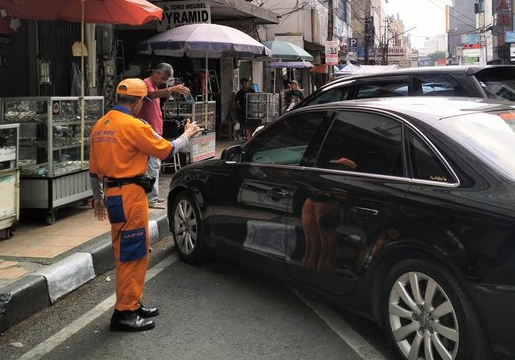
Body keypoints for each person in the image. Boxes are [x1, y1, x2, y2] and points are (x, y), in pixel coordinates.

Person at [89, 78, 201, 332]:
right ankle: (125, 312)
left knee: (131, 249)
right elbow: (166, 151)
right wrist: (187, 134)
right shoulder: (134, 126)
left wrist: (97, 198)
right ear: (139, 101)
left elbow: (93, 170)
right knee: (133, 253)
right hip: (130, 196)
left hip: (113, 195)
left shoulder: (101, 124)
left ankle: (133, 301)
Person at [138, 63, 190, 209]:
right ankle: (151, 199)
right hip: (148, 130)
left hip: (155, 129)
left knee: (155, 164)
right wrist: (171, 89)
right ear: (156, 72)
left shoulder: (155, 87)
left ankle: (153, 195)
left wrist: (170, 91)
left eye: (165, 80)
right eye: (162, 78)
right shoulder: (145, 84)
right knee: (153, 164)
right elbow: (151, 95)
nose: (162, 81)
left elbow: (158, 94)